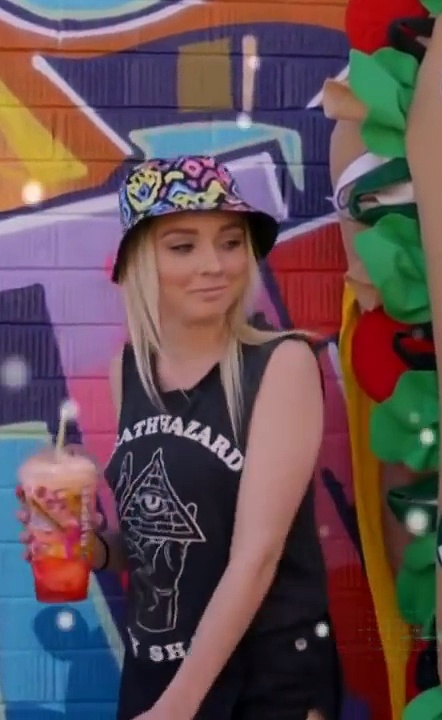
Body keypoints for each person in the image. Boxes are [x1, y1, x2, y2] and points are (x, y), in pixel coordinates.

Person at [17, 156, 339, 720]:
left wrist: (179, 705)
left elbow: (257, 556)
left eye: (230, 242)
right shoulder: (129, 372)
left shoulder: (281, 364)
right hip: (157, 675)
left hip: (264, 685)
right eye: (183, 246)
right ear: (141, 261)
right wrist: (88, 547)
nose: (214, 265)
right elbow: (161, 541)